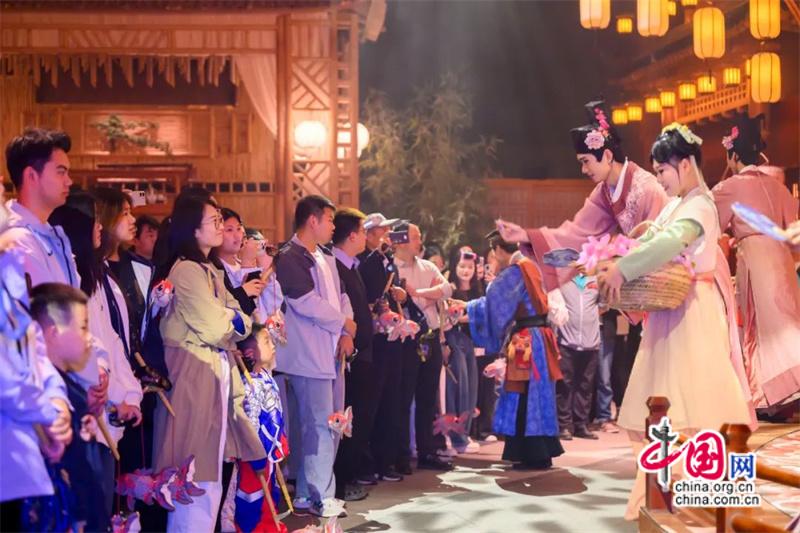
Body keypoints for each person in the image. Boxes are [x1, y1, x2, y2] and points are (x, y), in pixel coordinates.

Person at [597, 123, 753, 519]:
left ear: (684, 165)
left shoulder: (699, 206)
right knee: (664, 404)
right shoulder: (675, 204)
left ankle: (697, 499)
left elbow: (669, 242)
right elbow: (650, 240)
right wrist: (610, 259)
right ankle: (668, 495)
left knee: (695, 400)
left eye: (662, 171)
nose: (660, 180)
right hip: (672, 311)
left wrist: (624, 268)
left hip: (693, 311)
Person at [152, 195, 264, 532]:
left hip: (211, 379)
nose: (220, 226)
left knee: (210, 477)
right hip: (193, 380)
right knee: (194, 477)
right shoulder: (187, 270)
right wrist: (232, 322)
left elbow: (242, 318)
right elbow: (217, 327)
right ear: (193, 229)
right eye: (214, 221)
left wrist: (232, 322)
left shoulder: (207, 269)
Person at [495, 101, 667, 291]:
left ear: (607, 156)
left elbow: (658, 244)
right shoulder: (604, 192)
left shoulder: (648, 189)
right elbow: (577, 234)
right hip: (634, 278)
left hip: (662, 281)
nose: (584, 169)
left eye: (586, 161)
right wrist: (526, 235)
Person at [453, 234, 565, 470]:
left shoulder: (515, 271)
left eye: (494, 253)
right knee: (538, 394)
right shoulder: (531, 265)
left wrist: (469, 307)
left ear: (499, 250)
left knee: (523, 393)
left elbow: (496, 304)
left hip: (527, 340)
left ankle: (531, 454)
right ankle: (542, 451)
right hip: (540, 337)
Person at [274, 195, 355, 518]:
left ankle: (309, 493)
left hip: (331, 352)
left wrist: (347, 330)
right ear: (312, 220)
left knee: (326, 424)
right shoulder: (289, 256)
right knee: (317, 425)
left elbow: (342, 295)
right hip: (307, 355)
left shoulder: (324, 255)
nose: (333, 226)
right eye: (330, 220)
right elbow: (303, 301)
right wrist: (342, 322)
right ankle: (320, 494)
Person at [713, 115, 800, 410]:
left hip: (756, 256)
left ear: (734, 156)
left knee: (763, 325)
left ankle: (772, 393)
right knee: (786, 319)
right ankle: (774, 396)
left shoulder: (730, 186)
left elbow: (710, 220)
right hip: (781, 257)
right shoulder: (776, 185)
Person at [0, 191, 72, 531]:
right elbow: (7, 379)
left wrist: (57, 401)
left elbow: (35, 346)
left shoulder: (8, 264)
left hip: (24, 456)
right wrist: (47, 413)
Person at [29, 283, 102, 532]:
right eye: (83, 327)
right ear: (53, 332)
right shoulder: (41, 396)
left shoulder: (70, 389)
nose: (89, 337)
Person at [394, 223, 454, 471]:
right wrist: (429, 295)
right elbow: (407, 301)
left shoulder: (427, 266)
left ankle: (427, 451)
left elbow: (446, 289)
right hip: (406, 340)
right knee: (403, 398)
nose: (420, 242)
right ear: (401, 240)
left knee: (428, 398)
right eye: (415, 237)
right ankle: (401, 454)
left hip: (431, 336)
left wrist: (417, 293)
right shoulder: (393, 268)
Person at [357, 213, 407, 481]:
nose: (387, 235)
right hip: (372, 339)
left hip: (390, 336)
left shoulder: (384, 259)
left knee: (390, 399)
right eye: (381, 231)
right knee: (370, 403)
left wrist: (400, 293)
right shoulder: (363, 261)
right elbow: (372, 292)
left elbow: (387, 290)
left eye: (388, 230)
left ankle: (385, 461)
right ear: (367, 233)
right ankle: (365, 464)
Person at [0, 128, 79, 289]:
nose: (69, 181)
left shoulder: (46, 233)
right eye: (61, 172)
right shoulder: (16, 239)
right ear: (31, 175)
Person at [331, 208, 374, 502]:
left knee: (357, 417)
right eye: (363, 231)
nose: (366, 237)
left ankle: (350, 475)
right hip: (348, 355)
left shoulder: (352, 266)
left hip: (363, 353)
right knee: (345, 418)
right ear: (351, 235)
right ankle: (341, 483)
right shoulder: (334, 267)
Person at [232, 323, 288, 533]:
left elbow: (274, 413)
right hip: (254, 453)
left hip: (269, 449)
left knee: (270, 492)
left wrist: (280, 439)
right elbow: (251, 423)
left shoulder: (265, 376)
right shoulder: (247, 386)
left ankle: (269, 525)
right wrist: (256, 454)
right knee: (252, 496)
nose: (273, 345)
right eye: (266, 341)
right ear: (249, 353)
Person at [444, 246, 483, 453]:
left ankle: (464, 435)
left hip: (472, 343)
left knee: (471, 390)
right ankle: (455, 436)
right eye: (461, 266)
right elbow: (450, 317)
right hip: (454, 340)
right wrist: (472, 315)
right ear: (454, 266)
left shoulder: (479, 290)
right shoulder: (449, 289)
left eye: (470, 267)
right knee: (457, 388)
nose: (466, 270)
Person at [214, 208, 282, 323]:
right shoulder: (215, 269)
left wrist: (266, 273)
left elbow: (274, 306)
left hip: (263, 330)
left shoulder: (240, 263)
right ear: (217, 232)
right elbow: (242, 310)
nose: (237, 236)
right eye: (229, 230)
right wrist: (247, 265)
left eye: (238, 228)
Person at [554, 274, 600, 440]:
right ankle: (564, 425)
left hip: (591, 342)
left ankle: (581, 424)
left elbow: (604, 305)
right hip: (566, 341)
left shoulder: (596, 280)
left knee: (585, 386)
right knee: (564, 385)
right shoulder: (563, 279)